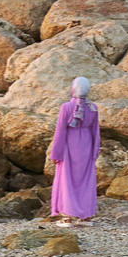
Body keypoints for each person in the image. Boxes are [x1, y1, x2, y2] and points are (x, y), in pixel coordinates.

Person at [48, 76, 101, 224]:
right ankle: (85, 215)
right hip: (86, 144)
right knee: (86, 180)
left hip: (70, 145)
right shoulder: (93, 108)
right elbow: (96, 131)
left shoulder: (66, 107)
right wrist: (95, 151)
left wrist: (56, 153)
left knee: (67, 179)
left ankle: (67, 215)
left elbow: (60, 131)